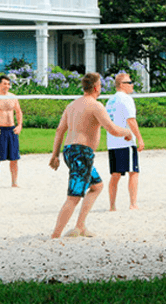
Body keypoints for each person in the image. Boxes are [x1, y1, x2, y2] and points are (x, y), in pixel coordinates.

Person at [48, 72, 132, 238]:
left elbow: (60, 130)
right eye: (100, 85)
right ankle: (55, 235)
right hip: (82, 153)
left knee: (96, 186)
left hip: (70, 151)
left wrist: (55, 155)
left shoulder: (71, 105)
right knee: (74, 196)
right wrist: (127, 132)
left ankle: (80, 226)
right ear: (96, 87)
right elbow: (113, 129)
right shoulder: (95, 105)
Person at [105, 72, 144, 210]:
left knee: (115, 175)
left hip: (112, 142)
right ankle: (133, 204)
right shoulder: (126, 99)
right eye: (129, 82)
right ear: (121, 85)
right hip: (125, 142)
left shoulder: (110, 101)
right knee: (133, 172)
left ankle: (112, 206)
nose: (132, 84)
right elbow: (131, 120)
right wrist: (139, 138)